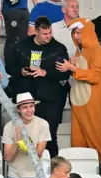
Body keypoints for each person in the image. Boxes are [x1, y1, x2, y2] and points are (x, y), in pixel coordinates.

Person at [7, 16, 70, 158]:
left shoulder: (58, 49)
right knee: (25, 135)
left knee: (50, 135)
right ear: (36, 31)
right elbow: (10, 67)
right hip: (26, 99)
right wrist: (21, 71)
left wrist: (45, 72)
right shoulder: (21, 46)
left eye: (50, 33)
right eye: (44, 33)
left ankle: (52, 168)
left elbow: (65, 74)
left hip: (50, 100)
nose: (48, 36)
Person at [64, 17, 101, 161]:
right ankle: (80, 170)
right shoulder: (79, 51)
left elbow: (95, 76)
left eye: (79, 33)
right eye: (74, 33)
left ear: (87, 32)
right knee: (78, 139)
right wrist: (73, 66)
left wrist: (73, 68)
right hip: (78, 101)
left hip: (92, 102)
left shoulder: (97, 50)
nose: (76, 36)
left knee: (96, 137)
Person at [2, 0, 35, 67]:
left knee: (20, 40)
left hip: (21, 9)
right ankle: (11, 68)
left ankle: (19, 67)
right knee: (14, 40)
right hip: (13, 8)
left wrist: (38, 8)